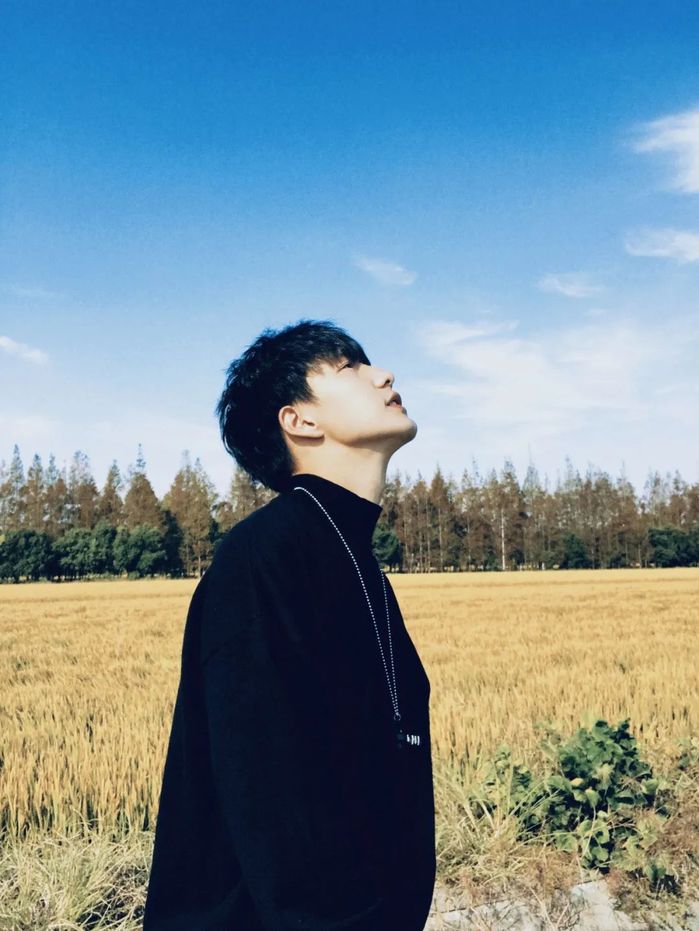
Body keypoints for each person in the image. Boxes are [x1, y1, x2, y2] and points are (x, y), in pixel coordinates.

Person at [143, 318, 436, 930]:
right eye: (350, 367)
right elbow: (267, 790)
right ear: (299, 420)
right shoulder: (263, 559)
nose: (384, 375)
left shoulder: (352, 558)